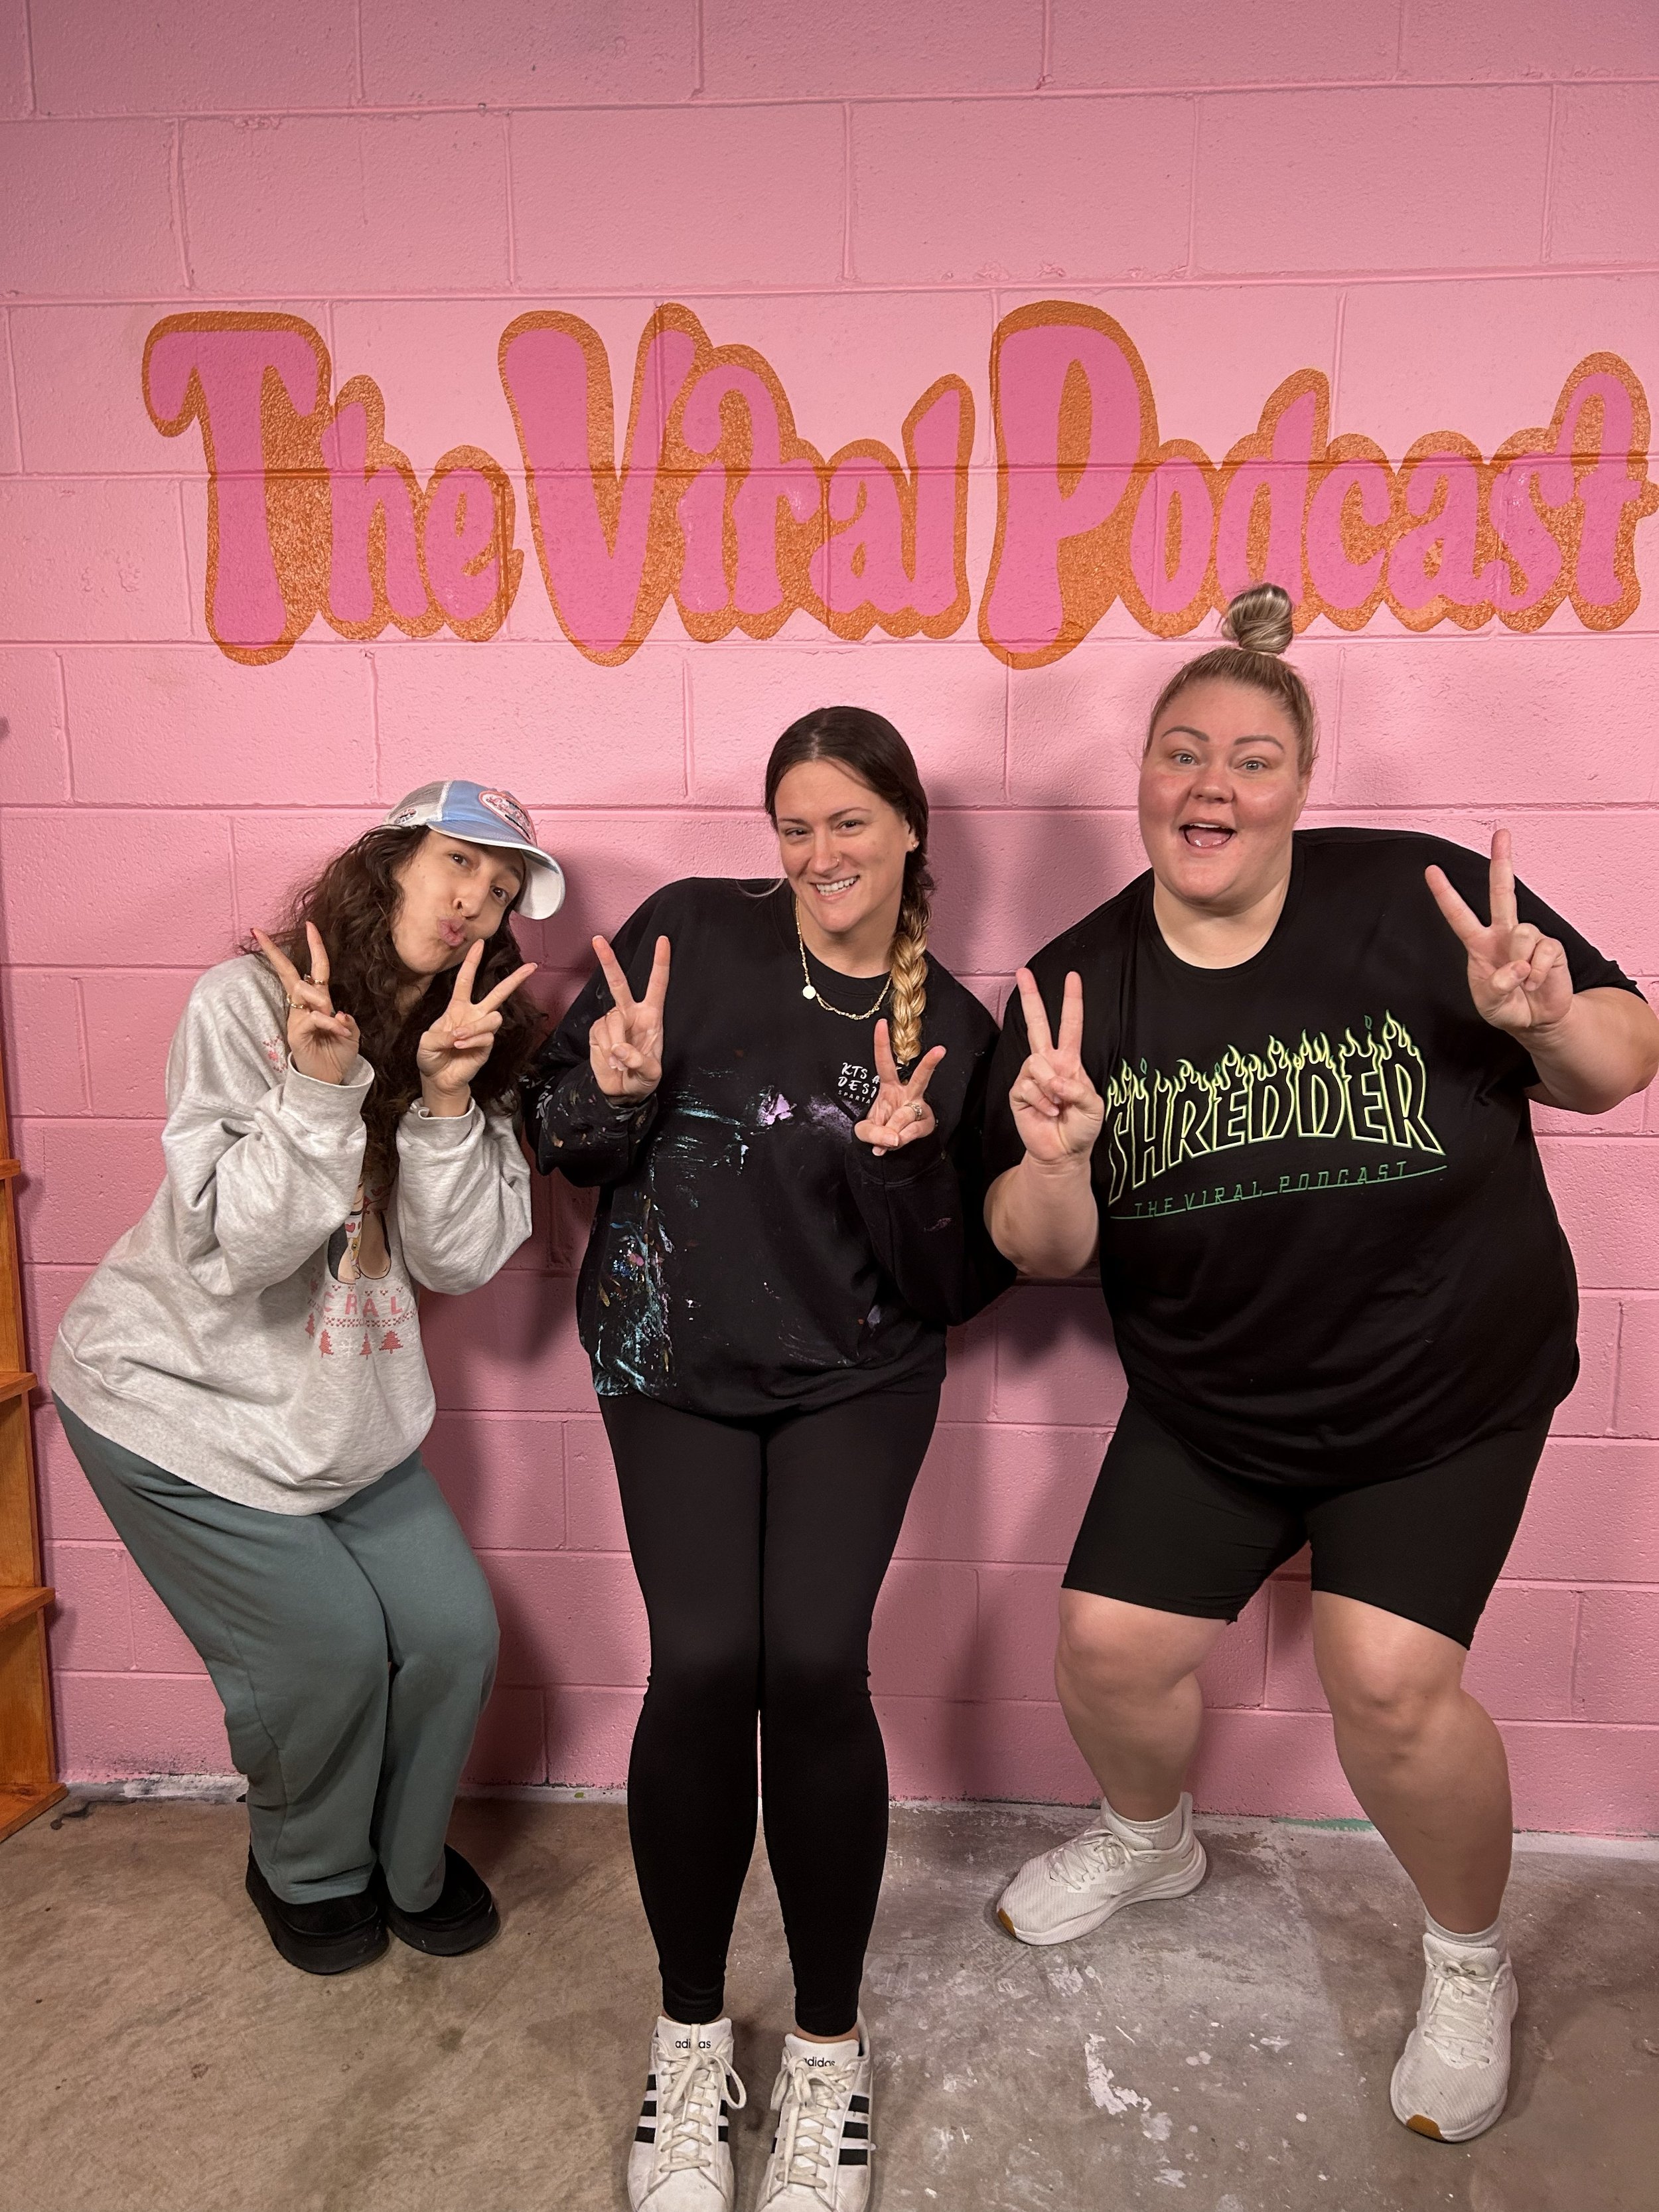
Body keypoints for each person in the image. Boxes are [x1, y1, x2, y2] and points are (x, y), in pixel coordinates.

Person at [983, 585, 1659, 2144]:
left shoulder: (1412, 904)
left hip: (1443, 1396)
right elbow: (1039, 1246)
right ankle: (1149, 1841)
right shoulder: (1076, 983)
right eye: (1180, 753)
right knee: (1102, 1646)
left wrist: (1546, 1018)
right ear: (1139, 777)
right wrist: (1060, 1156)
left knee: (1388, 1688)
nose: (1210, 785)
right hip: (1218, 1400)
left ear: (1299, 783)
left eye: (1251, 758)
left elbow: (1621, 1063)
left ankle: (1465, 1955)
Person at [523, 707, 1012, 2212]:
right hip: (670, 1358)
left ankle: (823, 2047)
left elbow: (955, 1285)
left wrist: (916, 1156)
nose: (818, 855)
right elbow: (558, 1135)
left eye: (848, 823)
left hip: (855, 1373)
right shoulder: (687, 937)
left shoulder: (956, 1030)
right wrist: (606, 1081)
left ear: (909, 829)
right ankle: (688, 2037)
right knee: (701, 1661)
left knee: (809, 1661)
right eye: (793, 826)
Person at [50, 780, 563, 1975]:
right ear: (389, 861)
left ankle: (407, 1859)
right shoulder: (248, 1003)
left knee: (454, 1636)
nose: (474, 899)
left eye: (499, 889)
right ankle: (309, 1863)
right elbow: (237, 1247)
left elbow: (460, 1258)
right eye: (457, 862)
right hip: (173, 1398)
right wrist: (325, 1084)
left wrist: (444, 1101)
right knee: (324, 1648)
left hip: (337, 1410)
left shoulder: (470, 1033)